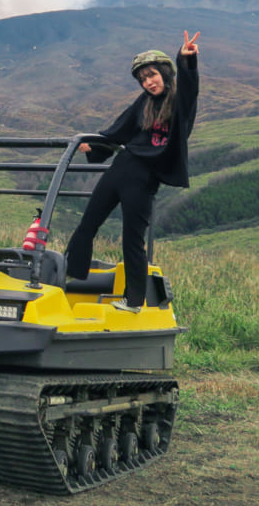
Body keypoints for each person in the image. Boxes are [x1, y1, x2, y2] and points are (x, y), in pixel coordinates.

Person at [65, 30, 201, 313]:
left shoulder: (180, 102)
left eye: (152, 75)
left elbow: (190, 87)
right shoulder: (144, 103)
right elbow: (120, 129)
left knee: (132, 239)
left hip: (144, 179)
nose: (148, 82)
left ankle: (135, 300)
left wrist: (185, 59)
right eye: (143, 79)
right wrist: (95, 148)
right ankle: (68, 278)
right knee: (87, 224)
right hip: (121, 169)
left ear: (165, 72)